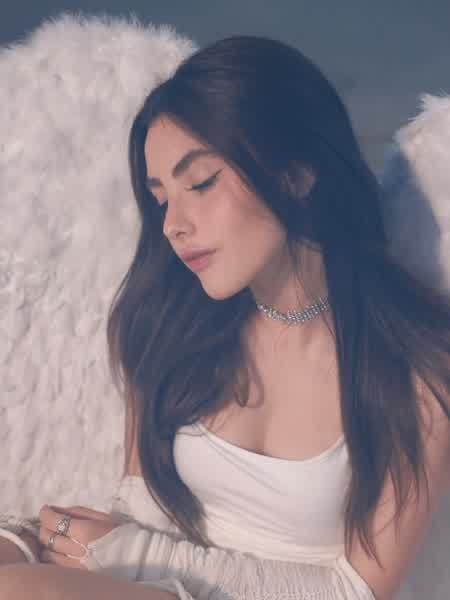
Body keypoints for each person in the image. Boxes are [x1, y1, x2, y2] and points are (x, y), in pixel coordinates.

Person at [1, 34, 450, 600]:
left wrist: (138, 555)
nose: (173, 225)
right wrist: (30, 541)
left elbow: (355, 591)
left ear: (296, 173)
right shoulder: (167, 326)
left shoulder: (413, 370)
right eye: (161, 198)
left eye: (201, 183)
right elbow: (139, 519)